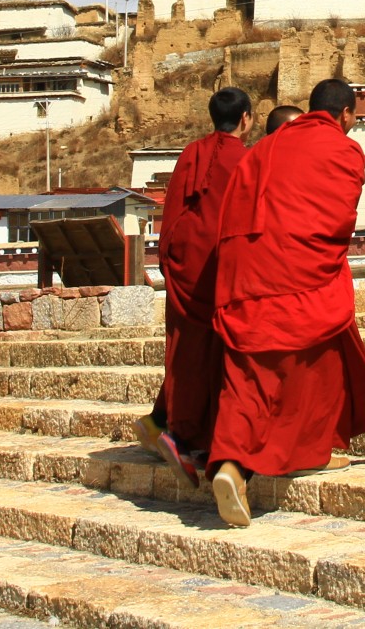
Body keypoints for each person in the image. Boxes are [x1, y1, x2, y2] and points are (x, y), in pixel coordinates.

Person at [206, 79, 365, 526]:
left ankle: (232, 465)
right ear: (347, 115)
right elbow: (339, 221)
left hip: (242, 271)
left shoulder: (260, 149)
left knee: (248, 373)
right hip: (295, 270)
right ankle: (308, 451)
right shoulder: (343, 150)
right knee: (316, 360)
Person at [136, 87, 252, 481]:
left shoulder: (190, 152)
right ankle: (186, 437)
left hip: (184, 263)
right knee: (212, 355)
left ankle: (162, 424)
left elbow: (173, 207)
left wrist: (166, 259)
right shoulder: (246, 159)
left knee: (183, 349)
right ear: (247, 119)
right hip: (218, 269)